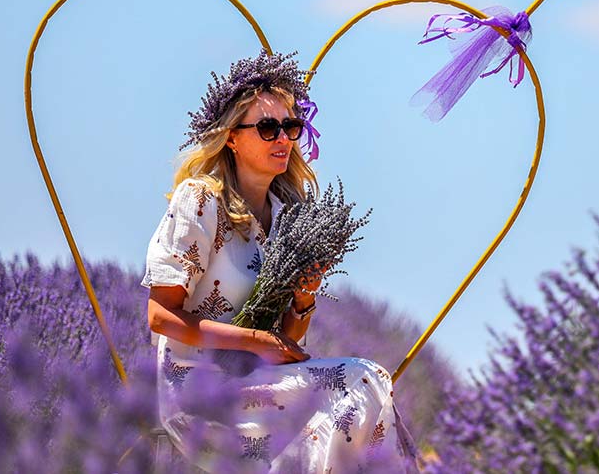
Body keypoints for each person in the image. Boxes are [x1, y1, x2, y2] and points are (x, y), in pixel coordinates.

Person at [140, 51, 418, 472]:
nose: (284, 139)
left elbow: (286, 344)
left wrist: (303, 298)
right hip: (201, 389)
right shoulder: (200, 200)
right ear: (231, 136)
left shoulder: (287, 215)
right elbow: (160, 316)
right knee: (363, 380)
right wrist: (253, 341)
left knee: (364, 387)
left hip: (262, 380)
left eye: (290, 126)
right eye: (268, 128)